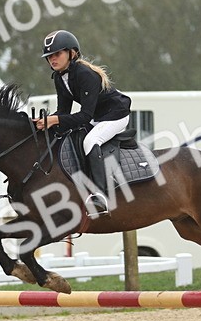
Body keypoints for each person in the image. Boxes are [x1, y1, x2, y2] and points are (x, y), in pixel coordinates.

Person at [32, 30, 132, 217]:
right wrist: (43, 123)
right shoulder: (59, 78)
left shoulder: (85, 74)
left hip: (115, 114)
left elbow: (84, 116)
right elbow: (63, 112)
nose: (52, 59)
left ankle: (101, 196)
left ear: (72, 53)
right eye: (49, 57)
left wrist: (55, 120)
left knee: (90, 141)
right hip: (96, 116)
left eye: (57, 54)